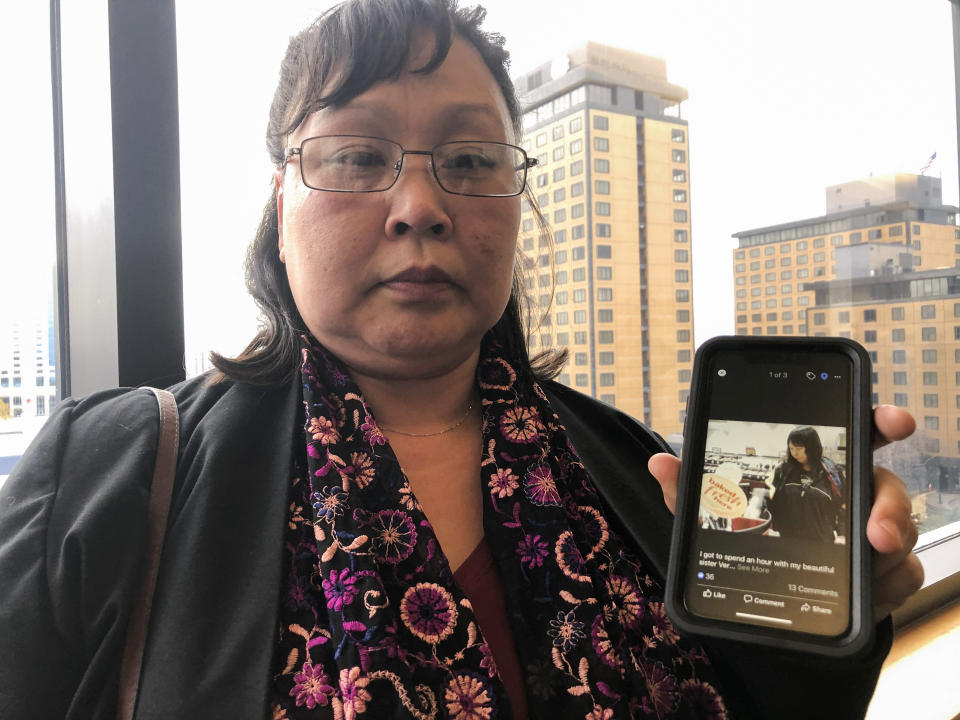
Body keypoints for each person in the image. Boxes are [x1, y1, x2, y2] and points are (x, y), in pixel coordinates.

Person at [0, 1, 923, 718]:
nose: (419, 206)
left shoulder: (640, 470)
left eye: (472, 159)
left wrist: (829, 618)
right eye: (359, 155)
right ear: (282, 207)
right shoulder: (104, 476)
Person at [768, 426, 846, 543]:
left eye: (799, 448)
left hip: (820, 541)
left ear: (812, 447)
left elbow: (844, 506)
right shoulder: (783, 470)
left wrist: (842, 534)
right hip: (788, 538)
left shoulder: (832, 473)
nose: (794, 453)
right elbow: (773, 500)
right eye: (791, 448)